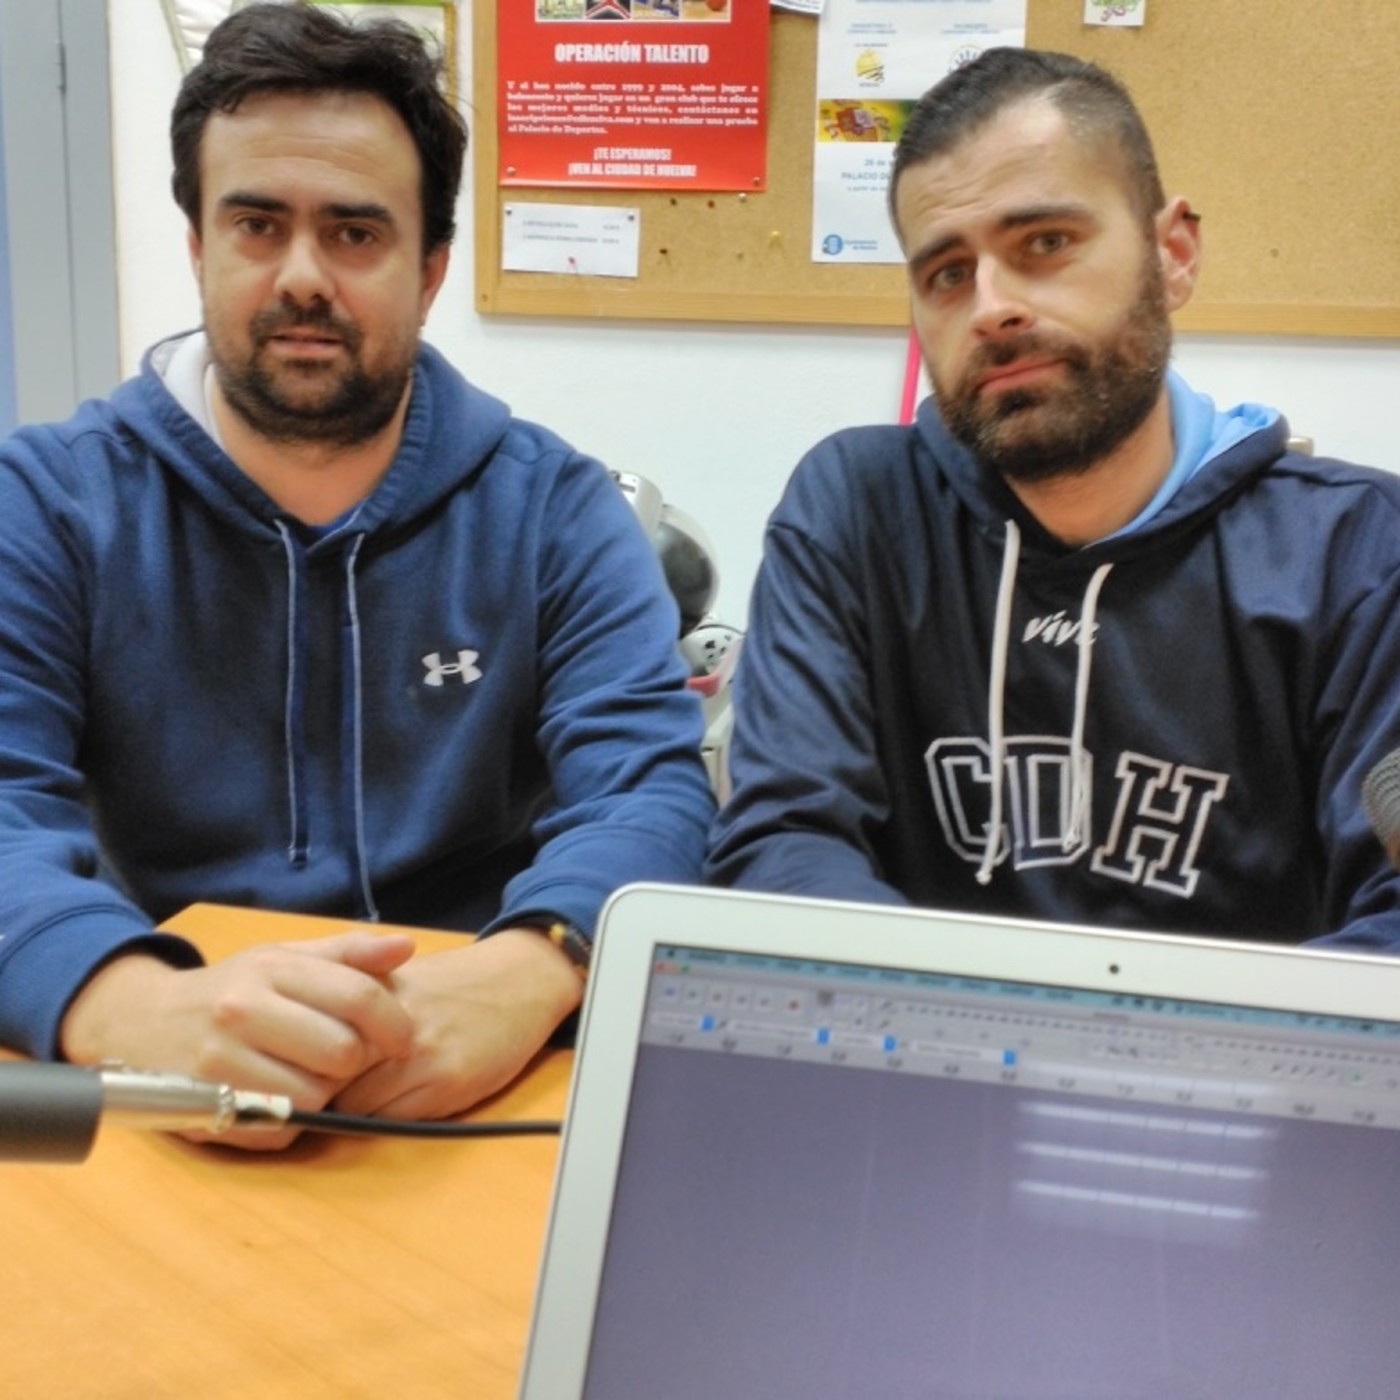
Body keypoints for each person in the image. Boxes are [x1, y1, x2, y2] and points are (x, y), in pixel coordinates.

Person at [0, 1, 714, 1147]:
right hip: (165, 1065)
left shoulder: (556, 511)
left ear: (428, 271)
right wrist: (127, 1004)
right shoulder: (43, 502)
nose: (302, 277)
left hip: (474, 1072)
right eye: (256, 225)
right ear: (197, 247)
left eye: (354, 233)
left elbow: (651, 792)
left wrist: (534, 966)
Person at [706, 47, 1400, 951]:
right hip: (912, 1032)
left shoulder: (1357, 554)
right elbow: (785, 842)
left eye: (1045, 243)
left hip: (1232, 1049)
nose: (991, 307)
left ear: (1173, 255)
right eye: (947, 272)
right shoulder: (856, 512)